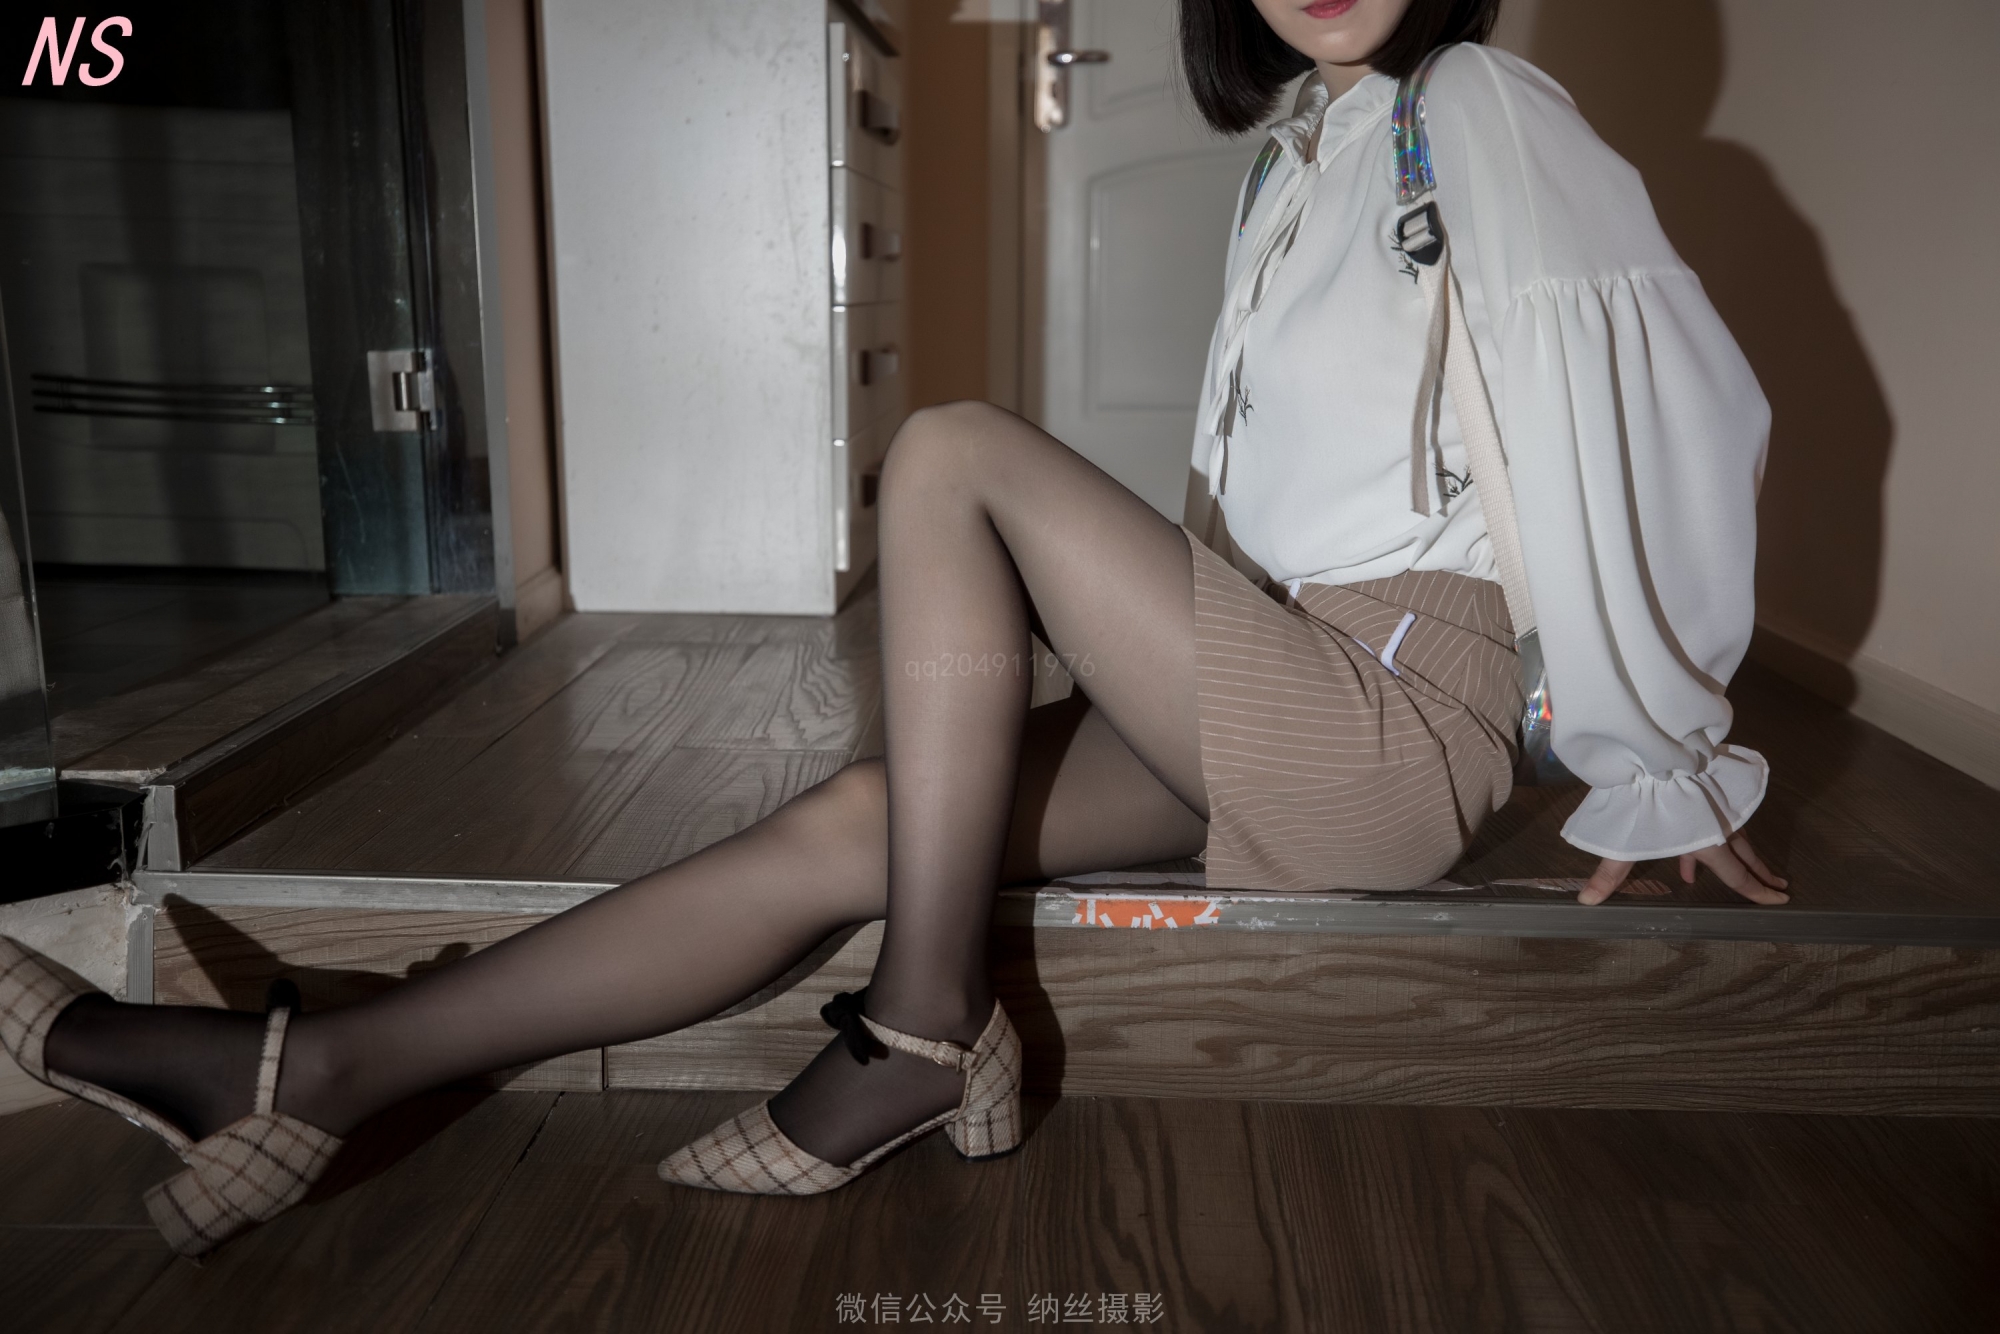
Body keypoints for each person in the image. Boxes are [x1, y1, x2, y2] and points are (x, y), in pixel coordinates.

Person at [0, 0, 1787, 1256]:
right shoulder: (1298, 155)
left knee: (949, 454)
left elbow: (1661, 404)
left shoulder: (1476, 104)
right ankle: (315, 1071)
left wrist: (1663, 752)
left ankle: (926, 1022)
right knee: (867, 816)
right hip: (1268, 677)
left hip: (1386, 720)